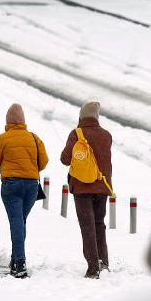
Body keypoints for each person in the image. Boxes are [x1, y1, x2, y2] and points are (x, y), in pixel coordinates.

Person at [0, 103, 48, 279]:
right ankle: (15, 259)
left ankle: (20, 262)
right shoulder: (34, 138)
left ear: (8, 121)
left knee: (16, 222)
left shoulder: (3, 139)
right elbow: (44, 161)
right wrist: (32, 170)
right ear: (23, 120)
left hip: (12, 186)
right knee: (20, 221)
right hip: (32, 186)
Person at [60, 102, 113, 279]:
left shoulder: (76, 134)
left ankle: (92, 268)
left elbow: (65, 159)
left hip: (82, 187)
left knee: (87, 226)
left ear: (81, 116)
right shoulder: (106, 135)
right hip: (103, 186)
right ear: (97, 117)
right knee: (99, 223)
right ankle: (103, 262)